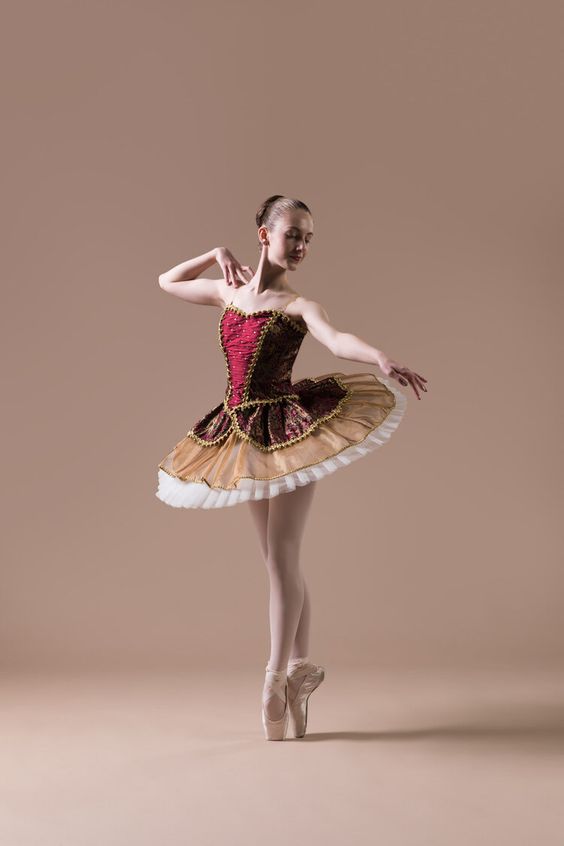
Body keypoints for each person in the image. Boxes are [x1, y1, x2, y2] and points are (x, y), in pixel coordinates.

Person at [156, 195, 428, 740]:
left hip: (292, 430)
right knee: (275, 562)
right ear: (265, 236)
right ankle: (300, 674)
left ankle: (274, 680)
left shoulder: (299, 305)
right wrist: (214, 253)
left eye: (308, 238)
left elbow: (334, 339)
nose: (302, 246)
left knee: (283, 559)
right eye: (293, 236)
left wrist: (377, 356)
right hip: (239, 434)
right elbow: (166, 281)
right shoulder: (227, 292)